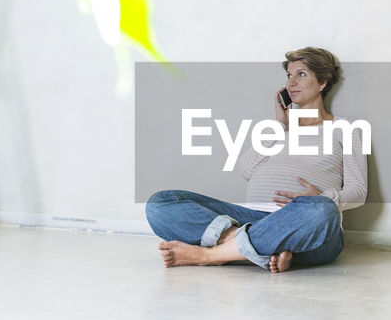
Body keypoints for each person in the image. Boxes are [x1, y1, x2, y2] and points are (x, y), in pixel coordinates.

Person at [145, 47, 368, 273]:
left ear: (322, 83)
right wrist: (280, 125)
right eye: (289, 76)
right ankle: (260, 248)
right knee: (160, 203)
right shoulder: (277, 129)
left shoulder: (346, 129)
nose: (292, 83)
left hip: (305, 224)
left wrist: (323, 197)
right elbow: (246, 169)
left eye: (301, 74)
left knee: (322, 211)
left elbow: (358, 191)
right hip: (251, 219)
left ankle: (211, 255)